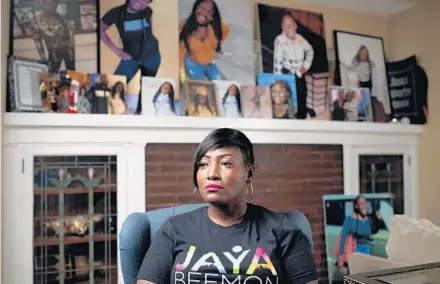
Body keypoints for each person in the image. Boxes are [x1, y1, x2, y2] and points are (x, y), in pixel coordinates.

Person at [136, 128, 318, 284]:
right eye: (204, 164)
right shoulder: (174, 229)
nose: (212, 174)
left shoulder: (283, 231)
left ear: (249, 172)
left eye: (226, 163)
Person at [100, 0, 161, 114]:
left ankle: (139, 114)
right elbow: (100, 30)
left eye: (146, 1)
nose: (141, 2)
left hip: (152, 57)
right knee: (116, 84)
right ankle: (113, 112)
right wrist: (117, 51)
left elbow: (149, 32)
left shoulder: (148, 11)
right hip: (131, 58)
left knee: (146, 89)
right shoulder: (116, 13)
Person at [273, 12, 314, 120]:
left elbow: (310, 51)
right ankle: (289, 117)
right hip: (287, 73)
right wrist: (278, 80)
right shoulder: (280, 40)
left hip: (300, 72)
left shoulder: (300, 39)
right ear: (282, 27)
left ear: (295, 25)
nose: (289, 27)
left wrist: (305, 66)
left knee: (302, 94)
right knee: (289, 96)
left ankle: (303, 117)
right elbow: (277, 62)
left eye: (291, 24)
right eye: (286, 25)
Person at [179, 0, 231, 81]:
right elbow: (180, 52)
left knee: (219, 86)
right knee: (201, 90)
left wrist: (216, 43)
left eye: (209, 12)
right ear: (196, 8)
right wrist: (181, 74)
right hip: (193, 65)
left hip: (210, 64)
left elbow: (227, 30)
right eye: (202, 8)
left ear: (213, 15)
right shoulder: (184, 27)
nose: (204, 13)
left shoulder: (216, 28)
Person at [337, 195, 385, 270]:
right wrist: (341, 257)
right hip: (354, 251)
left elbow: (374, 231)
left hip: (366, 250)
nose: (364, 206)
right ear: (356, 206)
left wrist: (379, 220)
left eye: (365, 203)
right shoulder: (350, 219)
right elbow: (342, 239)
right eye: (362, 204)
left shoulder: (369, 219)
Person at [30, 0, 75, 73]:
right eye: (48, 2)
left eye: (55, 2)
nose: (53, 4)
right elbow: (38, 41)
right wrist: (43, 59)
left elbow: (70, 33)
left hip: (68, 49)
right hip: (53, 51)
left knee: (72, 72)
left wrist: (71, 43)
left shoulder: (61, 17)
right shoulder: (36, 22)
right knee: (52, 74)